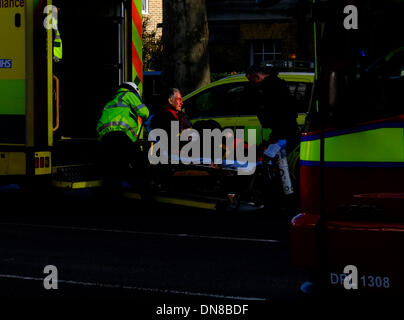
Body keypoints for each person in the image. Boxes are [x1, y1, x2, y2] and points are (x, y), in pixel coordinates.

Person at [96, 82, 150, 197]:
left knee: (112, 172)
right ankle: (146, 195)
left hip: (105, 140)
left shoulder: (110, 102)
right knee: (139, 164)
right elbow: (145, 112)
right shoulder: (128, 95)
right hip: (121, 137)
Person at [245, 65, 298, 152]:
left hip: (281, 129)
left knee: (273, 154)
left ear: (257, 76)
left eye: (251, 80)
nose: (251, 83)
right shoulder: (277, 83)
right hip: (284, 128)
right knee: (277, 155)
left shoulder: (269, 87)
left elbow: (274, 110)